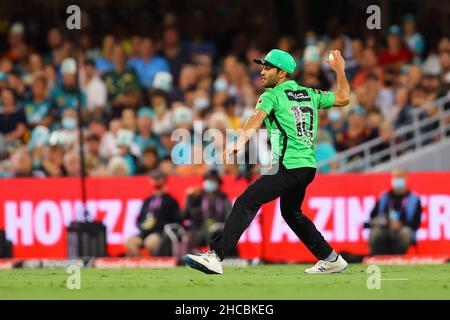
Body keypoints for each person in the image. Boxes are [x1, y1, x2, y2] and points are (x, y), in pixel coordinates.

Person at [185, 48, 351, 274]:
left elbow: (256, 118)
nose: (262, 72)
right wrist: (340, 72)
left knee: (246, 201)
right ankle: (331, 258)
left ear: (282, 73)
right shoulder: (309, 94)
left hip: (288, 166)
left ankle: (215, 256)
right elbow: (343, 98)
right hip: (307, 167)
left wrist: (238, 142)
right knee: (291, 213)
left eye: (267, 68)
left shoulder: (272, 95)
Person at [366, 168, 422, 255]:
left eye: (400, 177)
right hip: (385, 228)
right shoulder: (384, 197)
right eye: (396, 178)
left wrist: (401, 224)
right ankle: (376, 256)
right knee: (376, 233)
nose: (398, 180)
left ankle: (398, 257)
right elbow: (373, 215)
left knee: (405, 233)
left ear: (406, 179)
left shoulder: (414, 199)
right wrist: (387, 222)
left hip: (403, 228)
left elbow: (416, 223)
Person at [124, 170, 180, 256]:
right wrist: (143, 226)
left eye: (158, 178)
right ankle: (140, 264)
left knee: (150, 242)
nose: (156, 181)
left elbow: (176, 219)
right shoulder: (148, 200)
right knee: (129, 242)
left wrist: (160, 227)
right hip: (145, 232)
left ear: (164, 181)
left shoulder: (170, 200)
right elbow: (140, 218)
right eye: (154, 178)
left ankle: (155, 264)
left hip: (160, 232)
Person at [183, 169, 232, 250]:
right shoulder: (197, 196)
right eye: (207, 179)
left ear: (217, 182)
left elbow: (229, 216)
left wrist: (220, 225)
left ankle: (212, 256)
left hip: (218, 229)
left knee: (213, 231)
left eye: (212, 179)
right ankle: (187, 258)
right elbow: (187, 213)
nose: (210, 182)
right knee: (190, 235)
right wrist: (190, 198)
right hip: (199, 229)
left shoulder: (223, 198)